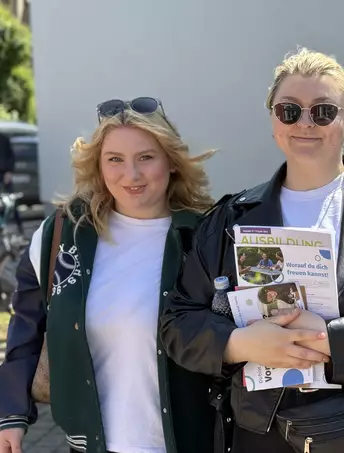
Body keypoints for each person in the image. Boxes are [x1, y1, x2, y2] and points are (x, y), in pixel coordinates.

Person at [160, 48, 344, 453]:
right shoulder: (229, 220)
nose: (304, 123)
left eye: (323, 112)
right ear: (273, 121)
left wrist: (327, 339)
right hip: (258, 435)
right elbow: (178, 323)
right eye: (289, 111)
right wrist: (241, 343)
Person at [0, 98, 217, 453]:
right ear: (98, 166)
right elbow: (26, 325)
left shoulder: (206, 238)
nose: (131, 175)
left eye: (146, 157)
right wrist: (11, 413)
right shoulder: (62, 234)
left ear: (171, 162)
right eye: (115, 159)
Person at [0, 131, 23, 234]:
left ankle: (20, 229)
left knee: (11, 202)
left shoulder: (3, 139)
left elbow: (11, 157)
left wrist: (9, 171)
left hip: (4, 174)